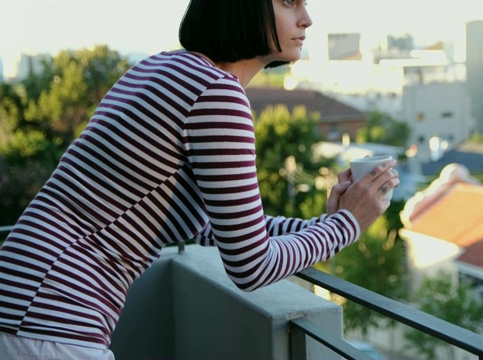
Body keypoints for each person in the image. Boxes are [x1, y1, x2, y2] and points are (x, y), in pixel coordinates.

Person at [0, 0, 400, 359]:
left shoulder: (160, 67)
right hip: (49, 316)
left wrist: (324, 223)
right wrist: (347, 225)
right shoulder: (216, 92)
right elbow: (251, 266)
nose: (307, 18)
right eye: (288, 2)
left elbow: (215, 225)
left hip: (20, 298)